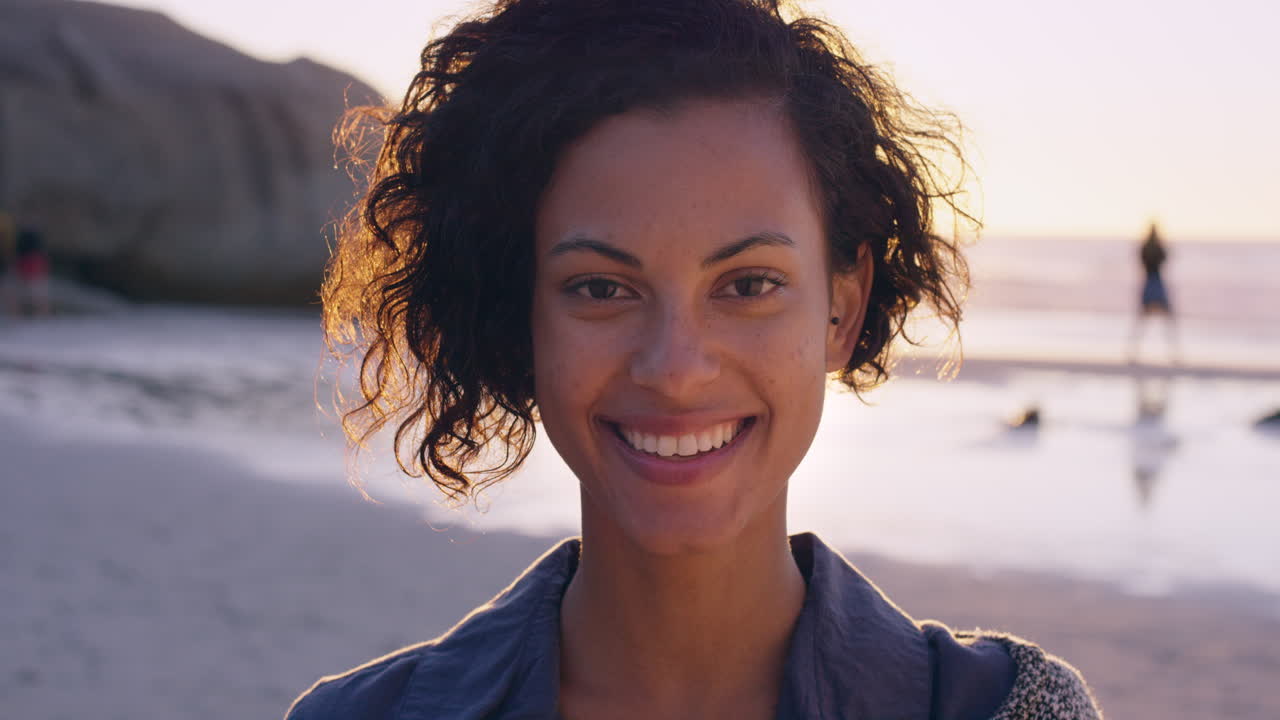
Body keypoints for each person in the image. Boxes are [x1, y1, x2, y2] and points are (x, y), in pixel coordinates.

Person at [288, 1, 1103, 718]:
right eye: (602, 289)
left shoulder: (1011, 712)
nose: (675, 368)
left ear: (841, 310)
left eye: (747, 284)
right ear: (517, 315)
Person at [1128, 222, 1178, 363]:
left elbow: (1144, 260)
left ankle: (1134, 351)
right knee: (1162, 319)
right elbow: (1164, 259)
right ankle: (1172, 352)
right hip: (1154, 282)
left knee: (1144, 320)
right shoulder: (1155, 247)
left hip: (1151, 282)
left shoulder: (1146, 247)